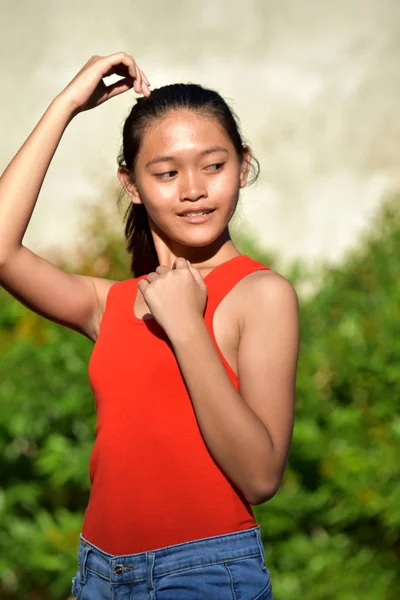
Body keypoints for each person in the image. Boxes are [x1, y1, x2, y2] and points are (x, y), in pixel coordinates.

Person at [0, 52, 299, 599]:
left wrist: (187, 328)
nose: (193, 188)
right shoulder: (109, 302)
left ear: (243, 164)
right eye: (166, 172)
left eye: (214, 165)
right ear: (131, 183)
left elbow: (261, 477)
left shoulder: (262, 294)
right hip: (98, 573)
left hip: (205, 575)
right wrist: (66, 106)